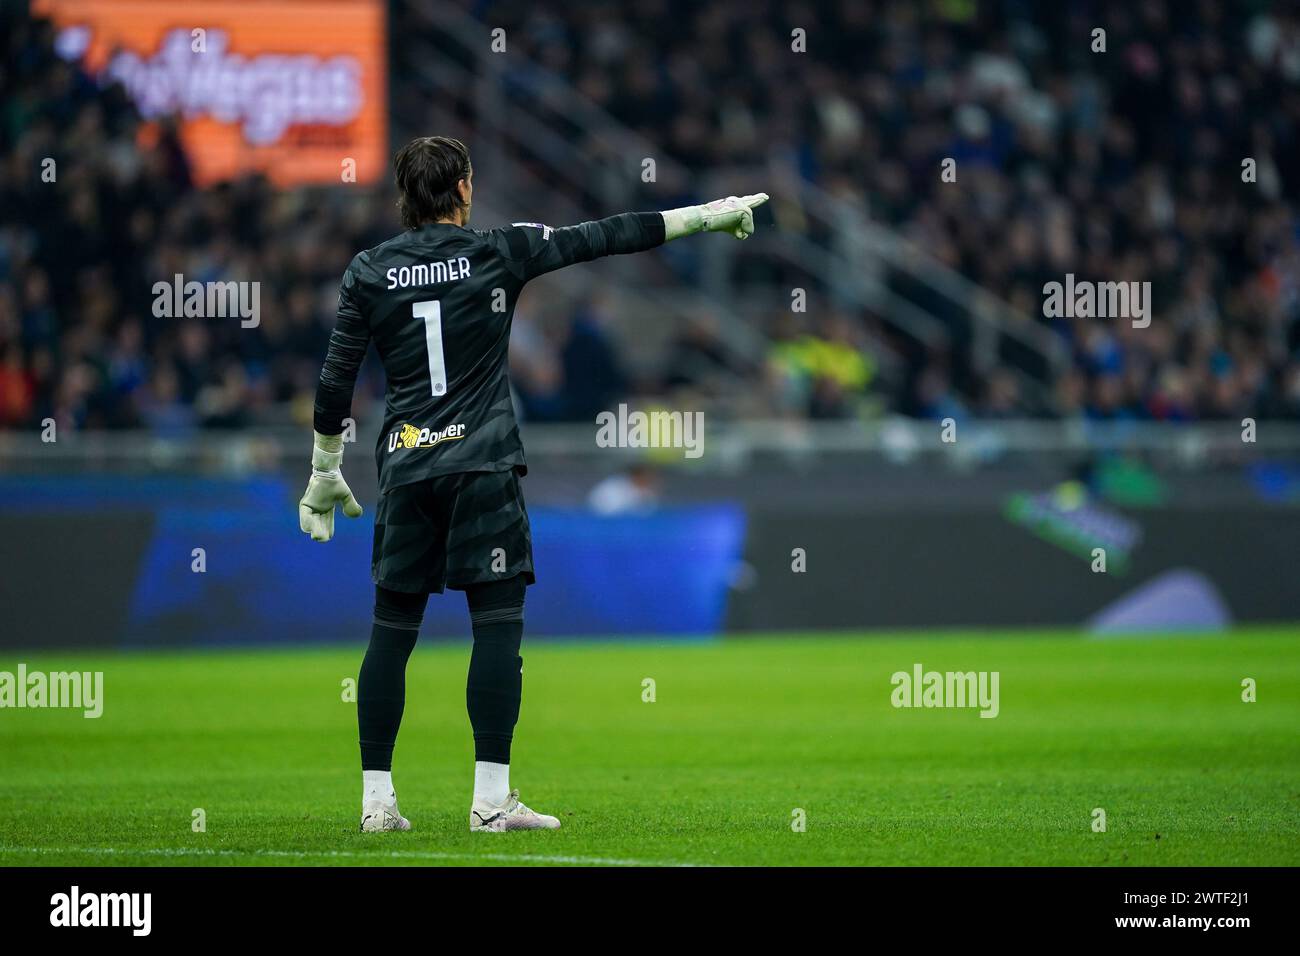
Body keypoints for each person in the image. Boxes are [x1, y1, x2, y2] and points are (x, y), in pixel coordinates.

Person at [297, 134, 767, 832]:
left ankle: (376, 804)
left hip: (406, 466)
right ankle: (490, 802)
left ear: (404, 195)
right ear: (460, 188)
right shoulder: (498, 250)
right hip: (481, 464)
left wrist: (324, 467)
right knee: (495, 629)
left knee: (391, 633)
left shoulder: (368, 270)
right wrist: (708, 214)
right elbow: (604, 236)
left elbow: (337, 376)